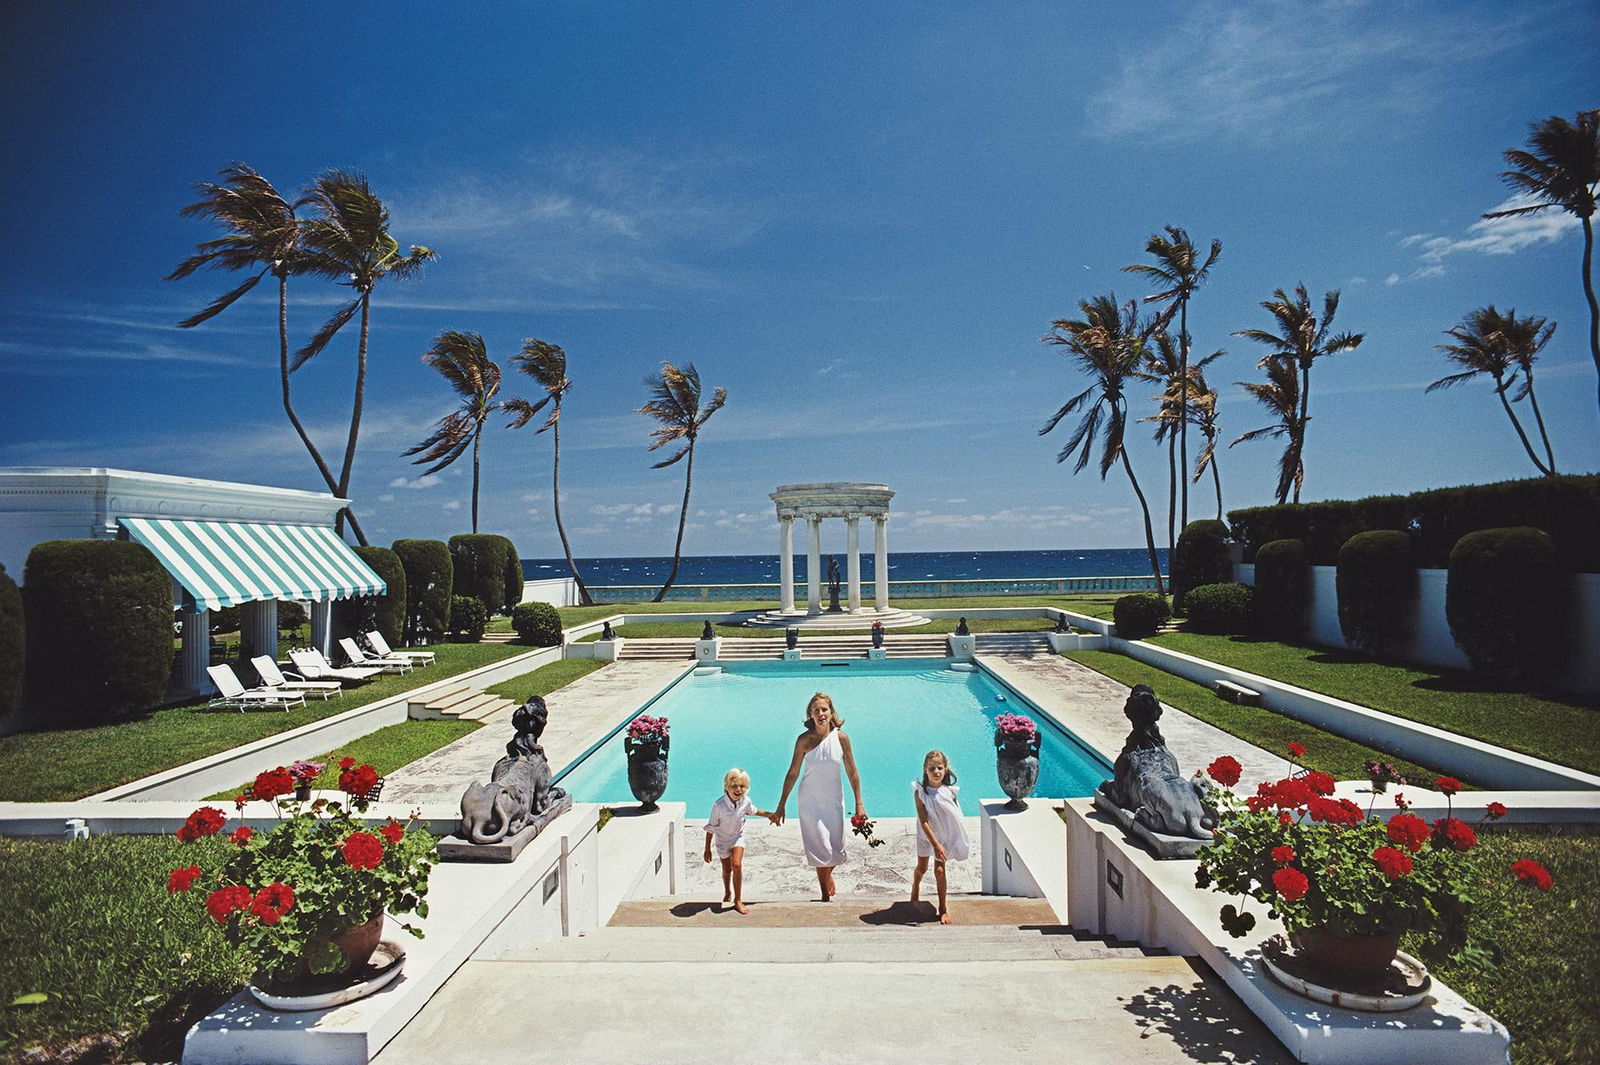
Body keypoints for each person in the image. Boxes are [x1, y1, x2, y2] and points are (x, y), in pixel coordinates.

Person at [774, 692, 866, 901]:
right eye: (816, 711)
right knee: (819, 847)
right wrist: (781, 805)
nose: (821, 713)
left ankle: (828, 877)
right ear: (811, 715)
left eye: (824, 709)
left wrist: (859, 803)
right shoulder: (804, 740)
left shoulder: (841, 739)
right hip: (810, 801)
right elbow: (793, 773)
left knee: (835, 848)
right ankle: (825, 895)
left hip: (834, 800)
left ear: (832, 713)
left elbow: (853, 772)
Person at [702, 767, 778, 914]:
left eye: (742, 786)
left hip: (737, 837)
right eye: (734, 786)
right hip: (722, 840)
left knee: (736, 865)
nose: (738, 789)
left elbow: (754, 811)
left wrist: (771, 815)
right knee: (727, 869)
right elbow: (710, 828)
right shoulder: (718, 806)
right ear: (727, 787)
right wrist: (707, 848)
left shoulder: (745, 801)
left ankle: (738, 900)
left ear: (747, 788)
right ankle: (727, 891)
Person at [910, 749, 970, 924]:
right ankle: (915, 887)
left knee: (940, 870)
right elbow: (923, 820)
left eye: (939, 768)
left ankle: (943, 909)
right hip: (926, 835)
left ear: (945, 770)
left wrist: (953, 839)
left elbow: (956, 816)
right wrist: (935, 844)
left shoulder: (949, 792)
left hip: (941, 837)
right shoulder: (920, 792)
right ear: (925, 770)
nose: (936, 772)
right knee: (922, 868)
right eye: (932, 769)